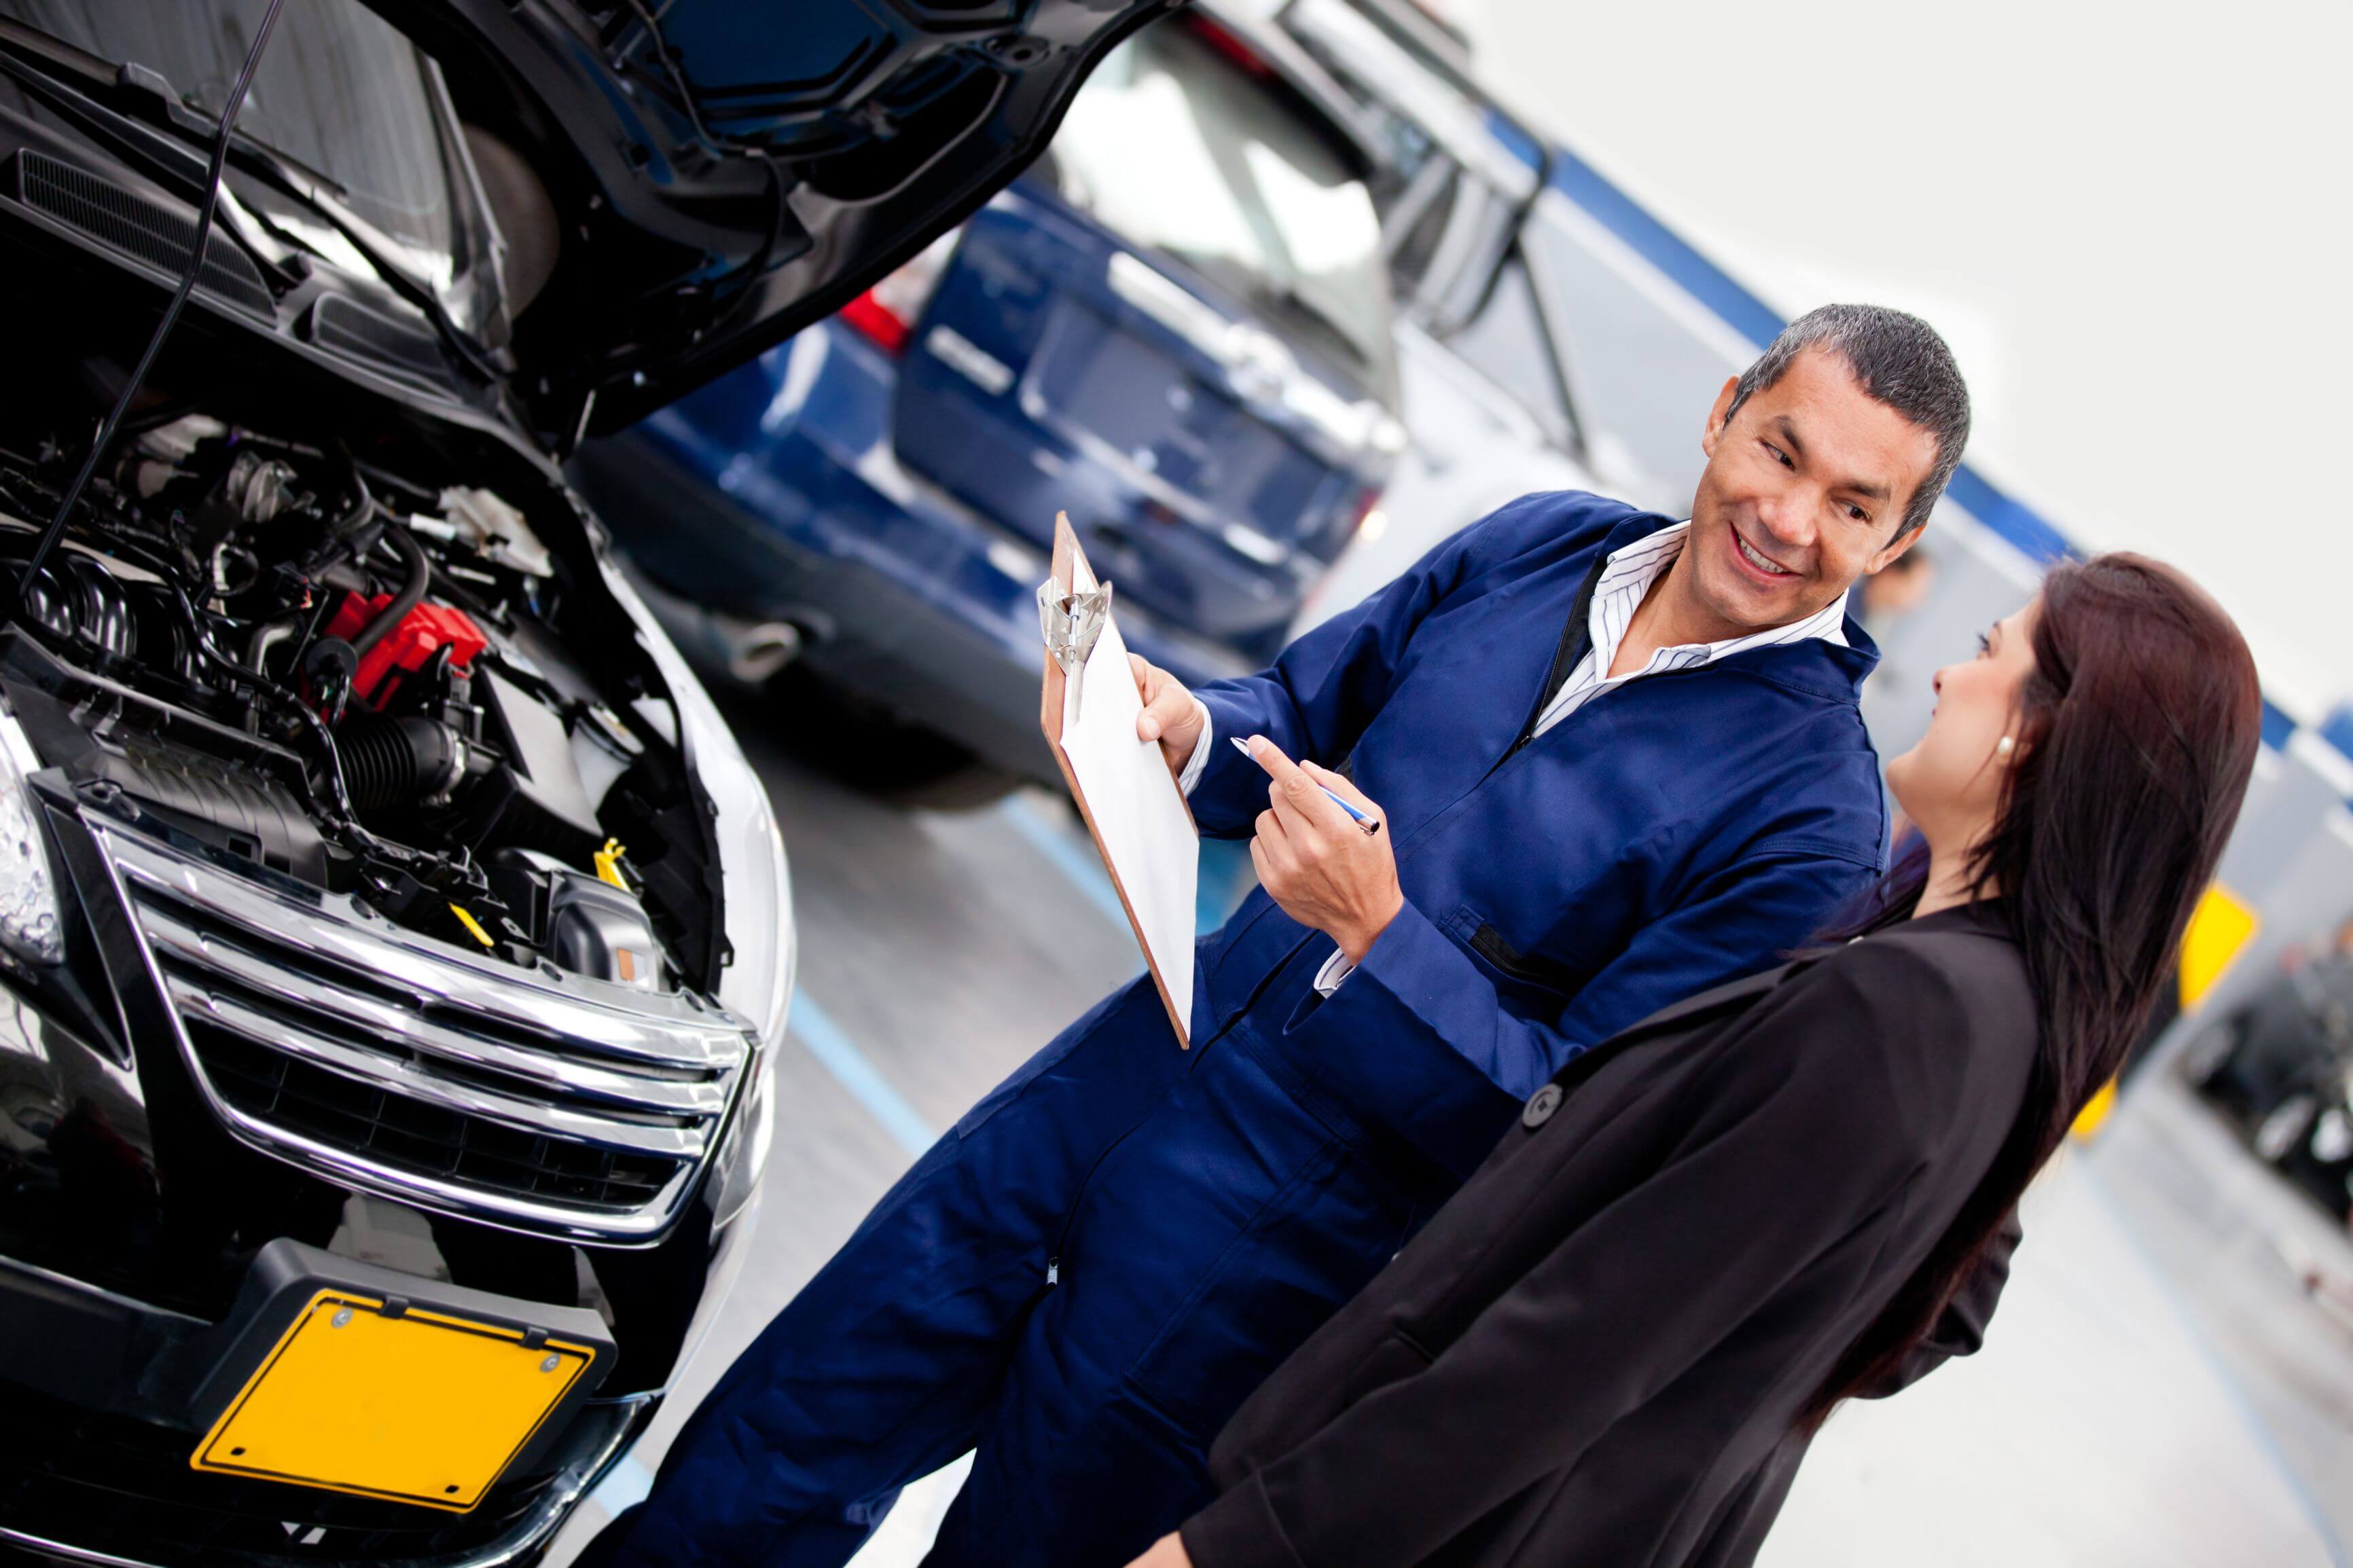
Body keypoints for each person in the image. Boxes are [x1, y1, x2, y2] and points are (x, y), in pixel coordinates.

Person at [582, 305, 1969, 1568]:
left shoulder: (1808, 828)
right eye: (1780, 452)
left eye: (1852, 506)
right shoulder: (1540, 544)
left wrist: (1382, 936)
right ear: (1725, 410)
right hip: (1129, 1066)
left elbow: (1586, 1141)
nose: (1789, 518)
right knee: (781, 1438)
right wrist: (1194, 731)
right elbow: (1304, 711)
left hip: (1274, 1250)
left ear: (1897, 544)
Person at [1136, 553, 2261, 1568]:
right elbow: (1937, 1303)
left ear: (2037, 734)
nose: (1944, 675)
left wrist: (1246, 1544)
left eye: (1987, 651)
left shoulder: (1903, 1011)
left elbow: (1574, 1346)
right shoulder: (2005, 1019)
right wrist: (1746, 1356)